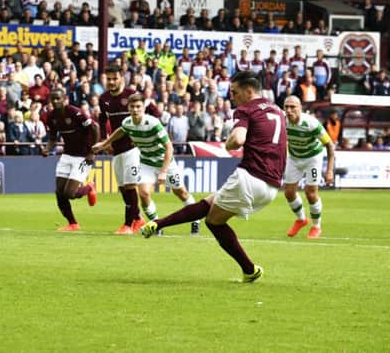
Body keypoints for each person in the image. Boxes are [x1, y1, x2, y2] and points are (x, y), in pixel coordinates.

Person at [139, 71, 287, 283]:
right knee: (210, 202)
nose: (232, 96)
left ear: (249, 91)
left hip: (250, 175)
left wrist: (228, 141)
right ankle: (158, 224)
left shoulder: (245, 110)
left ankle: (249, 269)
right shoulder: (278, 111)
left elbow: (237, 140)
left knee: (214, 222)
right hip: (272, 185)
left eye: (235, 92)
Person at [93, 93, 197, 234]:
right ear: (128, 108)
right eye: (132, 107)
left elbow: (169, 147)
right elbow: (121, 131)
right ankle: (156, 226)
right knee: (143, 193)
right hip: (147, 163)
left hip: (165, 163)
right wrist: (105, 144)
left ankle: (196, 219)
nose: (135, 110)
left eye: (138, 107)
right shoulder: (127, 122)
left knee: (181, 193)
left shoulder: (153, 123)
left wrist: (164, 171)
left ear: (143, 108)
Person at [97, 66, 162, 234]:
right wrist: (105, 140)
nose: (111, 82)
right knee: (123, 187)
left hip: (134, 149)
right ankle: (139, 219)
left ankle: (128, 224)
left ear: (121, 79)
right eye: (108, 79)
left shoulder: (131, 95)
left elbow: (154, 113)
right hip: (117, 149)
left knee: (131, 185)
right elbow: (102, 119)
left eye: (114, 78)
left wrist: (145, 133)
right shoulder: (103, 99)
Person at [42, 88, 99, 231]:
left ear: (64, 99)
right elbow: (53, 138)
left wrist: (92, 152)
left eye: (58, 98)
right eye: (53, 99)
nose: (55, 101)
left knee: (70, 193)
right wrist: (48, 149)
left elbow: (95, 128)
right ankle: (73, 224)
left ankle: (89, 188)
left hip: (82, 157)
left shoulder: (74, 112)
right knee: (59, 193)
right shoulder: (51, 117)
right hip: (67, 155)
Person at [283, 96, 335, 239]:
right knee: (288, 193)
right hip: (294, 157)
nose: (289, 110)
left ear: (300, 108)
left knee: (310, 193)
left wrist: (329, 170)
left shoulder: (311, 123)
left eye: (292, 107)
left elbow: (330, 146)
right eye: (286, 107)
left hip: (312, 158)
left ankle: (316, 226)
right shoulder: (283, 121)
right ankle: (301, 219)